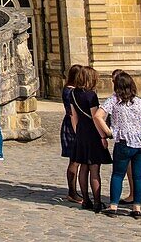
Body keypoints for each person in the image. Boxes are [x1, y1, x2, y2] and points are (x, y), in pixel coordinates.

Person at [94, 71, 141, 218]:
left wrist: (109, 132)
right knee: (138, 176)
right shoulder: (140, 102)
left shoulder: (114, 100)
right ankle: (137, 208)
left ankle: (113, 206)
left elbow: (97, 116)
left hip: (124, 142)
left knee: (118, 175)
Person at [70, 65, 111, 212]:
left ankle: (85, 200)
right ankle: (97, 201)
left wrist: (78, 133)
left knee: (83, 167)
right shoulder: (91, 95)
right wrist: (103, 136)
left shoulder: (72, 93)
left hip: (81, 132)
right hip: (93, 133)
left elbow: (73, 117)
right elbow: (95, 117)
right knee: (94, 169)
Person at [60, 64, 83, 203]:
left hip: (71, 124)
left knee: (76, 160)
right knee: (75, 160)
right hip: (73, 125)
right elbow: (73, 112)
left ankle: (74, 190)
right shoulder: (70, 92)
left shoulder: (70, 89)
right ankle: (72, 192)